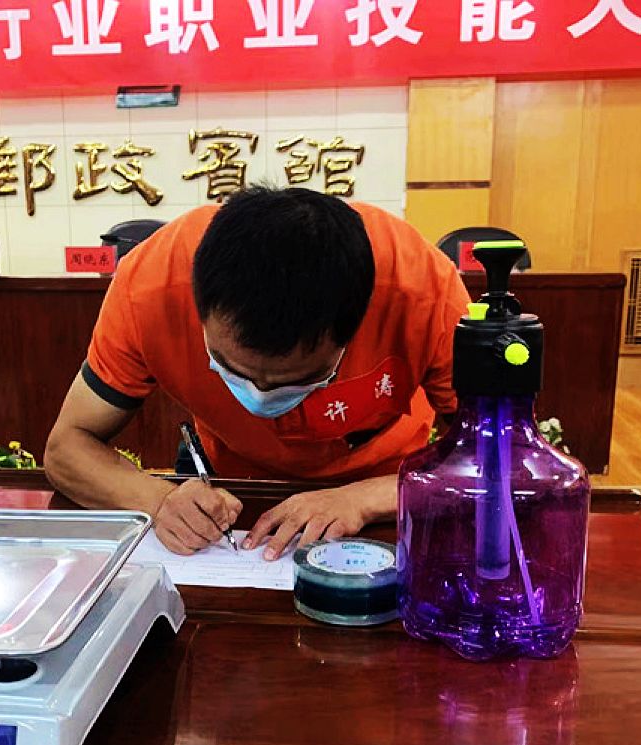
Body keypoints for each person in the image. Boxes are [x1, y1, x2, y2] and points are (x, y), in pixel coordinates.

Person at [44, 186, 470, 558]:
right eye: (230, 368)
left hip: (387, 489)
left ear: (354, 328)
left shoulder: (421, 290)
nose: (260, 394)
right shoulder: (152, 285)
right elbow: (67, 447)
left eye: (297, 381)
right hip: (230, 489)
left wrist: (366, 499)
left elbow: (493, 461)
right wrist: (157, 500)